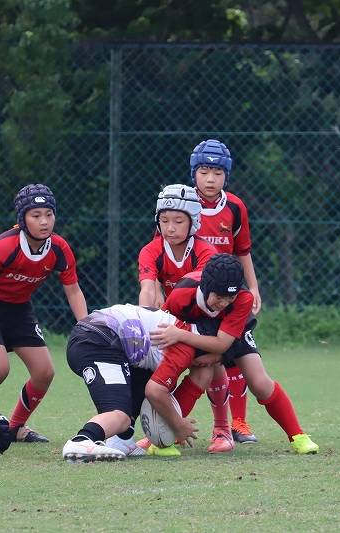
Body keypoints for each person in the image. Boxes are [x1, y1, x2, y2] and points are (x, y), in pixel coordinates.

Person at [150, 254, 319, 455]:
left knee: (259, 383)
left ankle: (298, 436)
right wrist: (188, 352)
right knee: (200, 373)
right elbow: (164, 331)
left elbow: (222, 344)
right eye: (219, 297)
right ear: (205, 287)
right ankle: (160, 437)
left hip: (231, 334)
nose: (223, 303)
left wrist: (186, 338)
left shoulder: (243, 298)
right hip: (196, 330)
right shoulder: (181, 294)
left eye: (230, 298)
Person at [0, 184, 89, 443]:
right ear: (22, 219)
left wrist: (86, 325)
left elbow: (74, 290)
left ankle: (15, 427)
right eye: (36, 215)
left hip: (20, 309)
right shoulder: (4, 247)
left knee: (45, 373)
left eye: (49, 214)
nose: (44, 221)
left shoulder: (59, 248)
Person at [62, 304, 219, 462]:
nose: (210, 364)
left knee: (146, 375)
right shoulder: (185, 349)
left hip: (99, 337)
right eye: (216, 359)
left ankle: (123, 439)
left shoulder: (179, 328)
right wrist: (178, 424)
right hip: (98, 342)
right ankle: (82, 440)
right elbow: (155, 392)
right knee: (119, 415)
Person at [190, 139, 262, 445]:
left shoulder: (234, 206)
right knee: (202, 361)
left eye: (217, 173)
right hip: (195, 298)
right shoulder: (182, 204)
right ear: (193, 173)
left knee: (236, 357)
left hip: (231, 297)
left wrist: (253, 287)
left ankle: (239, 423)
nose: (210, 179)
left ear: (226, 175)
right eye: (204, 172)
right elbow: (163, 246)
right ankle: (171, 423)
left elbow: (243, 250)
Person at [137, 184, 216, 308]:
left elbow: (198, 295)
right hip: (172, 310)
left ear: (193, 221)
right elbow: (147, 290)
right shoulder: (149, 251)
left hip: (201, 311)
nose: (170, 228)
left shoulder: (207, 252)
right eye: (164, 221)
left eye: (178, 222)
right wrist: (144, 316)